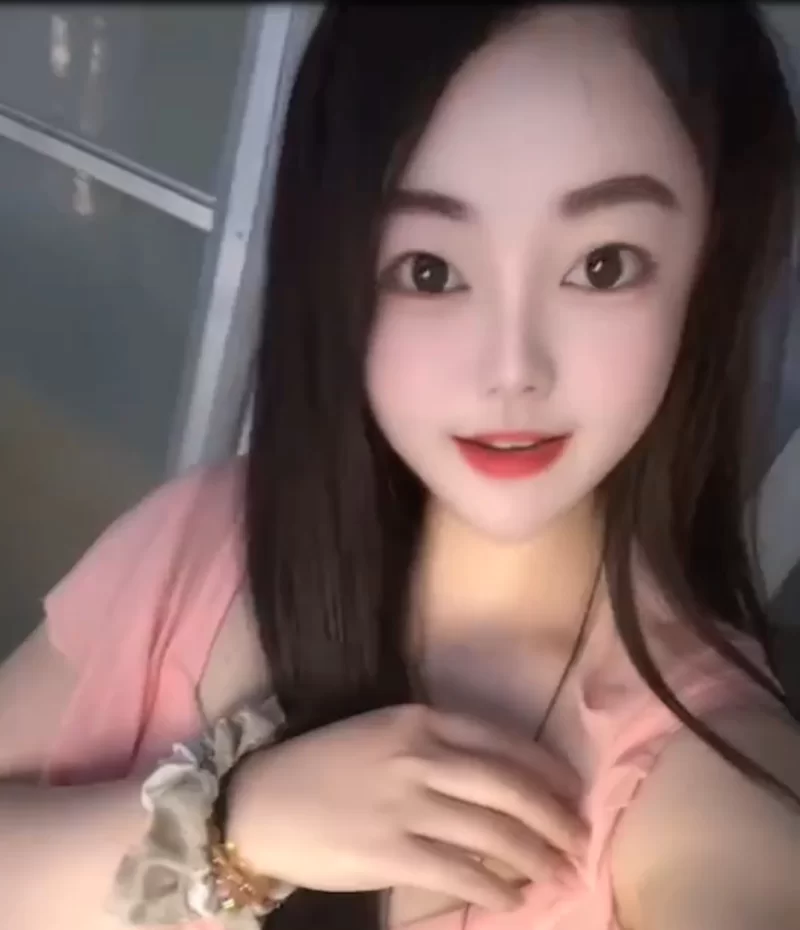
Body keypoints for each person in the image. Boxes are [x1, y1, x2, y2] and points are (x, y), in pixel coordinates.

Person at [1, 5, 799, 930]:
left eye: (604, 265)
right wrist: (233, 829)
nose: (512, 370)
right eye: (429, 270)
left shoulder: (705, 771)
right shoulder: (211, 534)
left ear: (708, 271)